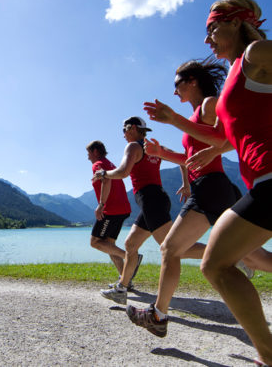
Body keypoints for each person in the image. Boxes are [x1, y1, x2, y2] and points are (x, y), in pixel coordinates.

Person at [142, 0, 272, 365]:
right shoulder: (234, 76)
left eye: (212, 28)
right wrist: (204, 149)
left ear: (236, 22)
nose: (207, 39)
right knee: (224, 260)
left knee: (215, 263)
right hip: (259, 180)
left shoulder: (257, 54)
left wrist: (177, 123)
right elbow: (227, 137)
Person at [126, 57, 256, 338]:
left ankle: (158, 316)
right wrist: (163, 154)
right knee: (252, 255)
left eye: (177, 85)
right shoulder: (197, 113)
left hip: (211, 186)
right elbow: (191, 158)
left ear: (192, 81)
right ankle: (158, 315)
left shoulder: (210, 105)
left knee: (170, 249)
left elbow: (227, 138)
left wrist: (174, 119)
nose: (174, 92)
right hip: (208, 187)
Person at [95, 117, 204, 305]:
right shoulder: (154, 147)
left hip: (150, 200)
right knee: (130, 244)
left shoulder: (133, 147)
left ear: (134, 128)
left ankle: (232, 254)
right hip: (154, 200)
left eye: (124, 129)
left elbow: (122, 172)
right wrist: (186, 184)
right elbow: (184, 160)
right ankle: (122, 288)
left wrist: (104, 174)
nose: (123, 134)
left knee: (173, 248)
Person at [86, 140, 131, 278]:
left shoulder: (98, 164)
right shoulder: (109, 164)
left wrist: (101, 204)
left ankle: (131, 258)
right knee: (109, 245)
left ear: (95, 152)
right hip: (123, 209)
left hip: (112, 210)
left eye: (88, 153)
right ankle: (125, 280)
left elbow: (106, 180)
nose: (88, 157)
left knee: (95, 242)